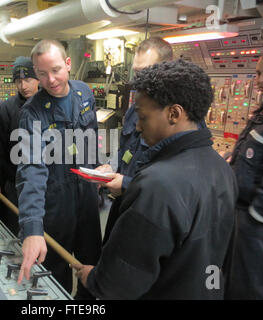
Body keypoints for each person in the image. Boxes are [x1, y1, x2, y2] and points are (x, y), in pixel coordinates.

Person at [71, 60, 238, 299]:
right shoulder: (221, 168)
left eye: (143, 117)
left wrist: (94, 278)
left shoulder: (156, 184)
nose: (137, 127)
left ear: (174, 113)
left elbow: (120, 282)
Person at [15, 40, 101, 299]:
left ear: (68, 64)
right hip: (55, 203)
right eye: (42, 74)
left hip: (86, 198)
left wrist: (98, 170)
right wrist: (32, 228)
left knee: (92, 266)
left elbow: (91, 138)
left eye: (55, 70)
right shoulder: (31, 113)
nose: (50, 80)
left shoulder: (84, 93)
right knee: (54, 272)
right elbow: (30, 169)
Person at [97, 37, 174, 244]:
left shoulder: (178, 118)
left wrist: (128, 184)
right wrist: (110, 169)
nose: (138, 81)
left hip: (152, 218)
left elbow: (175, 186)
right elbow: (126, 154)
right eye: (136, 73)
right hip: (124, 207)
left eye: (145, 73)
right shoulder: (134, 111)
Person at [0, 57, 39, 235]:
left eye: (28, 80)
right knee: (18, 229)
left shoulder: (51, 105)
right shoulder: (6, 110)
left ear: (39, 78)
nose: (23, 86)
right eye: (18, 81)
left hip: (47, 184)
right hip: (16, 184)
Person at [225, 55, 263, 299]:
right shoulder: (260, 116)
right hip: (241, 219)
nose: (258, 80)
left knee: (246, 289)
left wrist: (253, 224)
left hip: (254, 226)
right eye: (258, 74)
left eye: (262, 74)